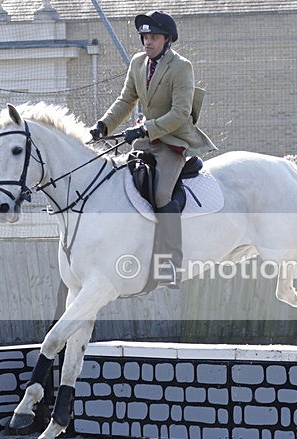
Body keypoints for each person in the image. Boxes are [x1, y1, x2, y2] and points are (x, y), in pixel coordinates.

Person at [90, 10, 216, 288]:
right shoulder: (137, 63)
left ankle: (171, 263)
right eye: (145, 37)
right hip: (145, 141)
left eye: (154, 37)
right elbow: (125, 100)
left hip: (173, 142)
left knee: (160, 194)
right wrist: (103, 126)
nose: (148, 42)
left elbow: (181, 112)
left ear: (167, 40)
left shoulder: (181, 67)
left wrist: (146, 129)